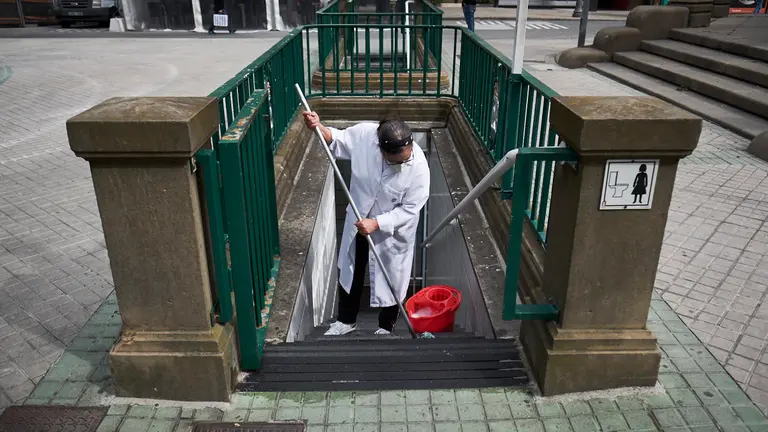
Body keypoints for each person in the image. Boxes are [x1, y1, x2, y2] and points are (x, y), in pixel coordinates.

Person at [302, 112, 430, 336]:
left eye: (406, 158)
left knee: (393, 276)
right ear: (381, 150)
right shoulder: (364, 136)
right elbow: (337, 139)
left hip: (392, 231)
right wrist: (318, 127)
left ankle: (386, 326)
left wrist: (378, 223)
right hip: (358, 220)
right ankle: (345, 321)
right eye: (397, 160)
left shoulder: (418, 167)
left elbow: (410, 208)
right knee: (351, 269)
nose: (404, 162)